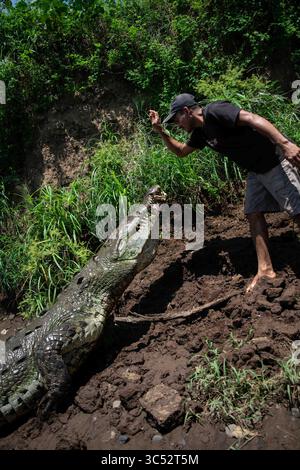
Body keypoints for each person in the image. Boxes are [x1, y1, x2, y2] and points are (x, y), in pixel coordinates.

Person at [149, 93, 300, 292]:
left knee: (297, 211)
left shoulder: (215, 111)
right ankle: (265, 270)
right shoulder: (201, 133)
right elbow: (181, 152)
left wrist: (285, 144)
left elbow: (253, 119)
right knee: (253, 212)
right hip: (256, 170)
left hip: (275, 160)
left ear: (186, 111)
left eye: (176, 118)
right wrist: (161, 131)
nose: (176, 123)